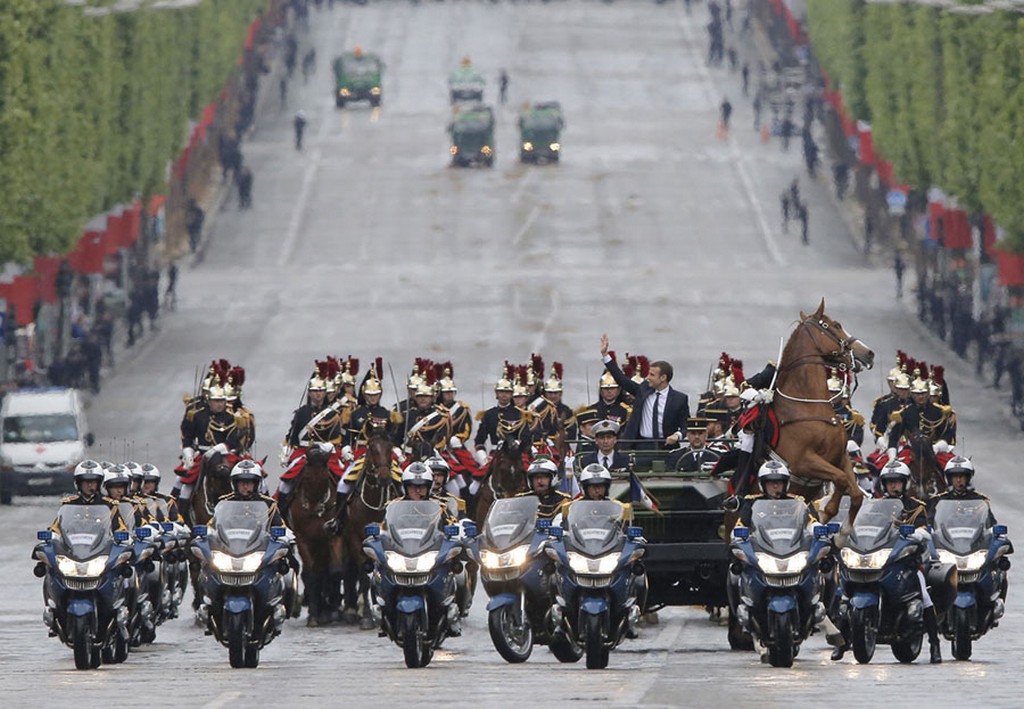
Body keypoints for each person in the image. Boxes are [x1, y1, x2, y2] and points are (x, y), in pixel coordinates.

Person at [832, 460, 941, 663]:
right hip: (877, 558)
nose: (893, 486)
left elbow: (925, 529)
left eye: (897, 482)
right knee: (845, 597)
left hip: (905, 562)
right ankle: (842, 642)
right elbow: (860, 524)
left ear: (905, 483)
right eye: (890, 482)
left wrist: (919, 533)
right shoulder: (873, 505)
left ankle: (935, 644)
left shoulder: (915, 506)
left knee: (924, 595)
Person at [600, 334, 690, 450]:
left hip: (667, 446)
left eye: (652, 375)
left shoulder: (679, 399)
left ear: (663, 377)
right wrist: (605, 355)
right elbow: (621, 379)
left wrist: (677, 435)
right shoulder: (643, 390)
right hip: (642, 445)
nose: (647, 377)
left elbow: (686, 425)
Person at [473, 365, 528, 466]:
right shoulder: (489, 414)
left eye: (507, 392)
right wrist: (483, 459)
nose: (504, 395)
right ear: (496, 393)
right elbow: (479, 441)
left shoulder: (520, 414)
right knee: (477, 481)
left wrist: (516, 446)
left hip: (515, 454)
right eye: (501, 391)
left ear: (511, 394)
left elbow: (525, 437)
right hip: (494, 454)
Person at [52, 460, 126, 534]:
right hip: (72, 543)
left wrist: (122, 537)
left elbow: (120, 528)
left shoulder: (109, 504)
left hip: (101, 544)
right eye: (86, 482)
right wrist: (52, 536)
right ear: (78, 483)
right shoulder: (69, 504)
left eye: (93, 482)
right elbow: (56, 528)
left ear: (99, 483)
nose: (89, 485)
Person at [927, 456, 998, 526]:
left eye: (961, 476)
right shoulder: (939, 500)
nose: (958, 480)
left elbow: (991, 524)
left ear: (968, 478)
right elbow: (930, 524)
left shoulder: (979, 500)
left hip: (975, 536)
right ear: (949, 479)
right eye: (954, 476)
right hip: (945, 536)